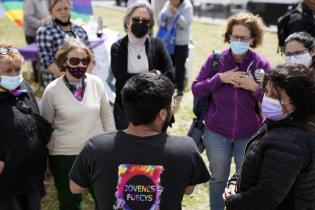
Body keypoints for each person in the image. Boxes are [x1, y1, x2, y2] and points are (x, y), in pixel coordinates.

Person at [69, 72, 210, 209]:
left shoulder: (96, 147)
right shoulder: (185, 149)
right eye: (172, 103)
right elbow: (188, 190)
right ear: (162, 114)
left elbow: (75, 188)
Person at [191, 12, 271, 210]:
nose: (239, 41)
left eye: (244, 38)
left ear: (253, 39)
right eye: (235, 36)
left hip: (249, 135)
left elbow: (273, 102)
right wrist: (220, 79)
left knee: (245, 181)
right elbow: (196, 87)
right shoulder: (215, 60)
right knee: (218, 178)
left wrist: (255, 88)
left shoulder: (261, 65)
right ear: (229, 36)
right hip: (216, 133)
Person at [224, 64, 315, 210]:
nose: (267, 98)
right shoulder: (276, 122)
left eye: (275, 95)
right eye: (266, 91)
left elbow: (265, 198)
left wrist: (232, 201)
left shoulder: (291, 143)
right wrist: (234, 182)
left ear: (297, 102)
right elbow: (254, 161)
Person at [40, 38, 115, 210]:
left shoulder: (97, 83)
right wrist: (44, 161)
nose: (80, 64)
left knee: (105, 200)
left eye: (85, 60)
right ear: (63, 62)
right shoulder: (52, 90)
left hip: (97, 154)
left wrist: (113, 151)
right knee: (70, 203)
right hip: (64, 156)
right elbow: (45, 128)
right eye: (74, 60)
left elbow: (108, 120)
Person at [111, 0, 174, 130]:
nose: (140, 23)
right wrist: (153, 74)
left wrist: (136, 78)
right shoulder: (117, 47)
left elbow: (169, 75)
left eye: (145, 21)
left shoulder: (158, 45)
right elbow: (123, 79)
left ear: (150, 25)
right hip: (127, 110)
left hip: (155, 111)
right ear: (127, 22)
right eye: (136, 19)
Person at [0, 43, 48, 210]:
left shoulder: (24, 88)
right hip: (7, 182)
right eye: (8, 71)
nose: (14, 74)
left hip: (31, 174)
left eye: (17, 69)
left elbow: (36, 120)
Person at [36, 0, 90, 87]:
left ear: (70, 8)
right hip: (58, 84)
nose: (63, 12)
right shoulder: (45, 31)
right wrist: (72, 80)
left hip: (83, 82)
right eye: (59, 10)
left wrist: (85, 77)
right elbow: (47, 62)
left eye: (66, 8)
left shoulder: (80, 30)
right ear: (51, 13)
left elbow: (90, 57)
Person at [159, 0, 193, 96]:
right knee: (169, 65)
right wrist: (166, 11)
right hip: (169, 41)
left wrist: (175, 13)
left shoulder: (187, 6)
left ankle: (180, 88)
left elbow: (186, 24)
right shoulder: (168, 3)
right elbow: (161, 19)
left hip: (181, 42)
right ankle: (169, 86)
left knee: (180, 66)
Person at [23, 0, 50, 83]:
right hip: (33, 34)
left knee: (43, 57)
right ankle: (38, 80)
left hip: (44, 32)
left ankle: (43, 78)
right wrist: (40, 23)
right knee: (35, 59)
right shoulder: (30, 1)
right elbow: (27, 17)